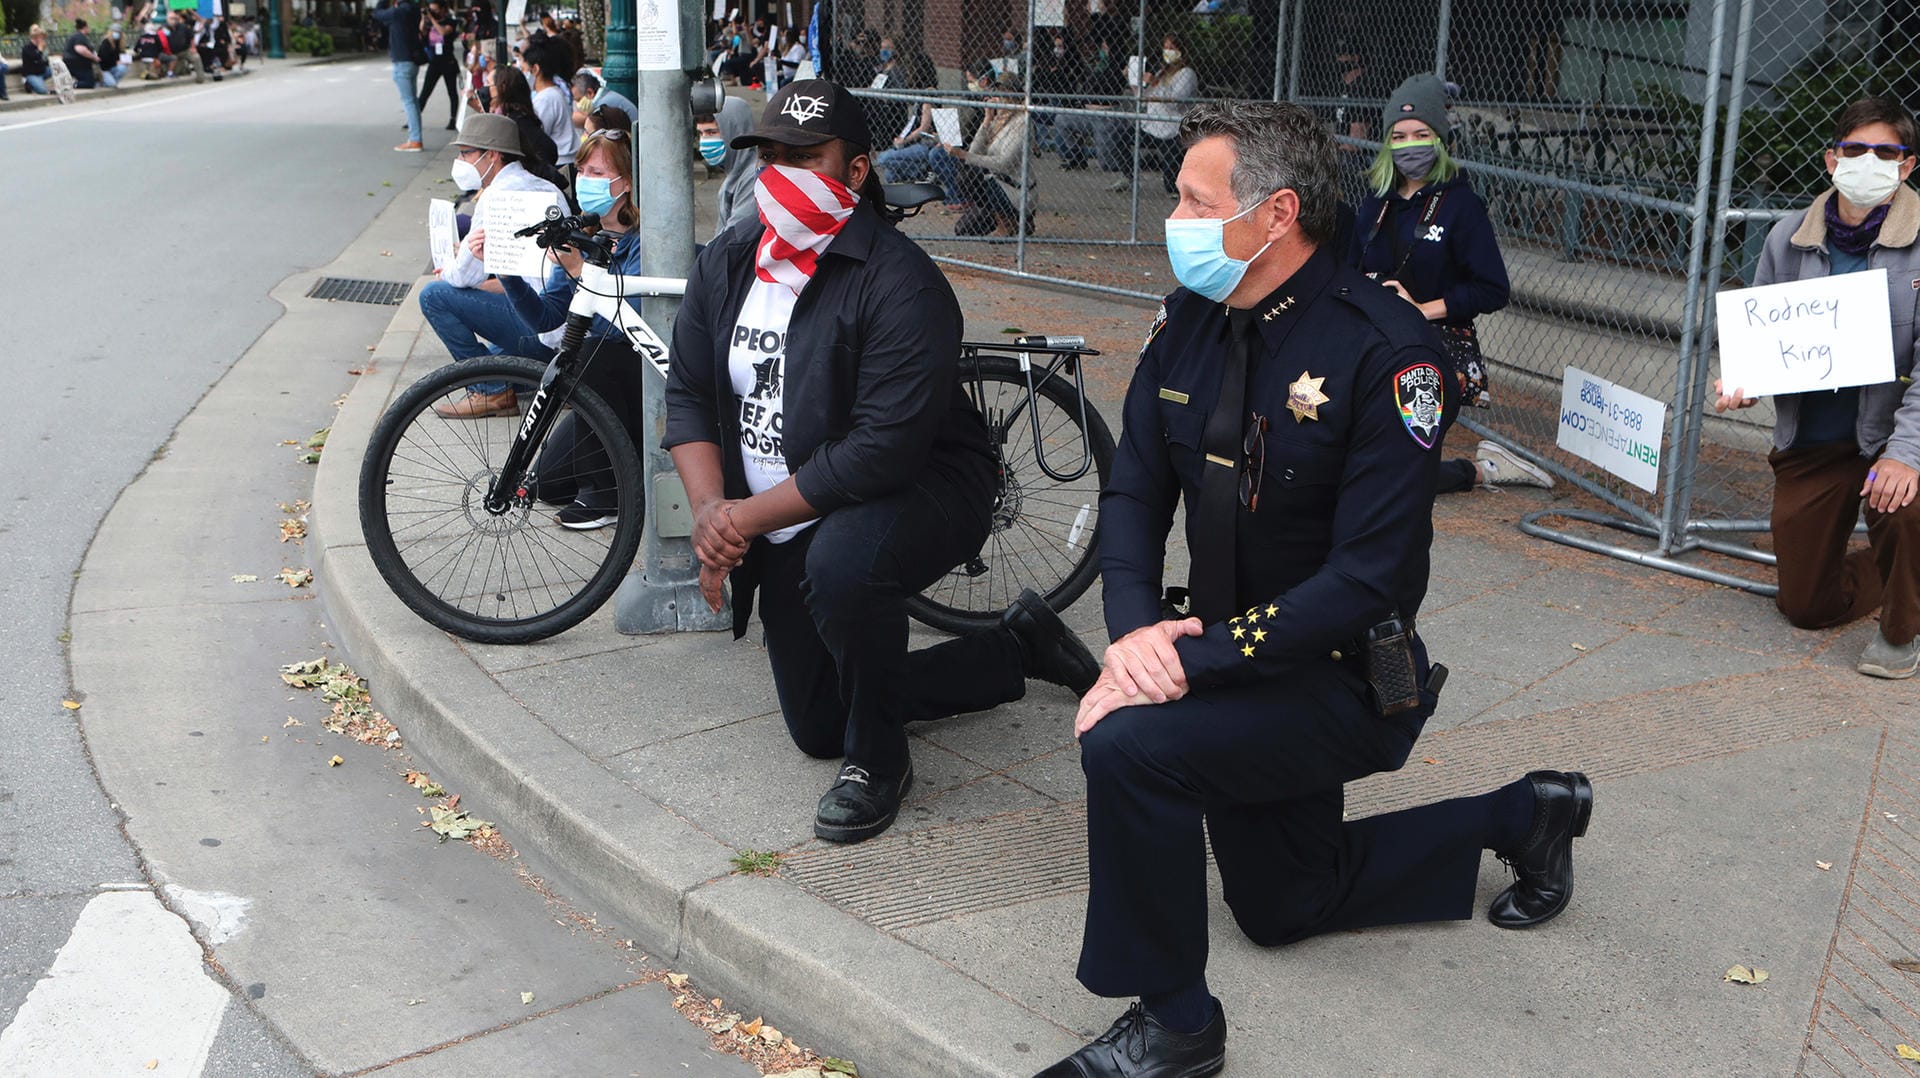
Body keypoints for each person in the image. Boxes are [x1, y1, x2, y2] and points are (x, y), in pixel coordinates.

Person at [1037, 100, 1592, 1077]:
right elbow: (1133, 492)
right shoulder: (1192, 329)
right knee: (1282, 906)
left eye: (1195, 200)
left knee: (1128, 749)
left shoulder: (1388, 355)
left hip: (1335, 678)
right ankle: (1526, 814)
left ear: (1276, 214)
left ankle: (1174, 1025)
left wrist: (1182, 661)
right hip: (1216, 662)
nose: (1176, 217)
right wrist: (1135, 639)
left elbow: (1365, 579)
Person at [663, 81, 1102, 844]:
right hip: (783, 511)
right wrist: (710, 514)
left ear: (857, 171)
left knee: (843, 566)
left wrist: (742, 519)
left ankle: (880, 762)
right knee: (817, 722)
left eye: (806, 157)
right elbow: (692, 395)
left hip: (926, 484)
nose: (782, 171)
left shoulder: (902, 283)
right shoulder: (729, 261)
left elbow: (876, 453)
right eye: (769, 155)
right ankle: (1014, 648)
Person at [1715, 97, 1920, 679]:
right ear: (1831, 159)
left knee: (1903, 504)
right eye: (1855, 150)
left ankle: (1902, 631)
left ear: (1907, 167)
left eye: (1886, 152)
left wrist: (1906, 456)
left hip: (1891, 436)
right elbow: (1764, 338)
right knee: (1805, 608)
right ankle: (1895, 572)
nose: (1868, 161)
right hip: (1817, 441)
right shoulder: (1787, 237)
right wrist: (1744, 381)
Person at [1350, 73, 1553, 493]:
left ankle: (1482, 470)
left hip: (1438, 349)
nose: (1410, 144)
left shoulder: (1461, 206)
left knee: (1391, 478)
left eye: (1422, 133)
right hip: (1372, 342)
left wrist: (1421, 309)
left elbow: (1492, 289)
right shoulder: (1375, 204)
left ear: (1440, 139)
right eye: (1399, 135)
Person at [494, 129, 649, 527]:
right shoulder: (590, 235)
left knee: (590, 353)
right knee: (548, 484)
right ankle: (619, 471)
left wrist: (582, 270)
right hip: (599, 380)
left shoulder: (645, 241)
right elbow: (547, 318)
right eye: (581, 170)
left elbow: (625, 327)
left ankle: (608, 497)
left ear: (626, 183)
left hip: (635, 377)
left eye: (597, 172)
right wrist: (509, 272)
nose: (585, 180)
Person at [418, 114, 566, 420]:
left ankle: (491, 391)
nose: (460, 161)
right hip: (562, 327)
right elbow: (529, 275)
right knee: (493, 357)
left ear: (493, 155)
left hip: (542, 328)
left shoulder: (496, 197)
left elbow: (462, 276)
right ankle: (510, 379)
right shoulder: (545, 187)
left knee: (434, 295)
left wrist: (447, 267)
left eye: (466, 153)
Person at [929, 75, 1032, 237]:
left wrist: (963, 154)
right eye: (998, 93)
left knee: (972, 176)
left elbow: (1003, 163)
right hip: (997, 183)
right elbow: (976, 151)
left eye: (1004, 93)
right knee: (963, 230)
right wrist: (987, 119)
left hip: (1015, 188)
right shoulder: (999, 119)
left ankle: (1007, 224)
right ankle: (1010, 219)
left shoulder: (1022, 122)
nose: (999, 98)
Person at [481, 65, 567, 192]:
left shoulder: (516, 125)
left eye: (489, 84)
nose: (485, 88)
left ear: (502, 88)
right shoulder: (516, 118)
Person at [704, 95, 761, 238]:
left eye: (712, 132)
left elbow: (733, 239)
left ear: (734, 131)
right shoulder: (735, 174)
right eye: (701, 134)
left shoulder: (752, 178)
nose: (705, 141)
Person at [522, 38, 579, 179]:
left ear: (535, 69)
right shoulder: (552, 93)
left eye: (524, 69)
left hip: (560, 164)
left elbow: (537, 137)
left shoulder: (545, 99)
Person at [372, 0, 425, 151]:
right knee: (413, 101)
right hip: (412, 60)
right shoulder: (413, 10)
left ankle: (415, 140)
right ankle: (415, 138)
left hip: (402, 61)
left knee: (409, 102)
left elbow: (378, 13)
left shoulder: (397, 12)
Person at [416, 0, 462, 131]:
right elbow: (422, 32)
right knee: (425, 91)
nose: (433, 13)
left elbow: (443, 32)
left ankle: (453, 120)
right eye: (431, 9)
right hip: (434, 63)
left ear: (443, 9)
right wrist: (424, 18)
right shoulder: (430, 22)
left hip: (448, 62)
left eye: (435, 10)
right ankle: (414, 118)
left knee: (452, 92)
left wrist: (432, 19)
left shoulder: (450, 22)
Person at [570, 70, 637, 129]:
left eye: (578, 100)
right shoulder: (607, 97)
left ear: (590, 93)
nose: (578, 104)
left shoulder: (603, 106)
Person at [63, 18, 102, 89]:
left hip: (74, 63)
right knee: (89, 82)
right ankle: (72, 85)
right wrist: (93, 57)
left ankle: (73, 83)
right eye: (88, 27)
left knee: (90, 80)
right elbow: (80, 49)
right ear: (85, 27)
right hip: (77, 64)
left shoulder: (75, 36)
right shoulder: (80, 36)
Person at [20, 26, 51, 95]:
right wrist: (39, 50)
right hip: (31, 74)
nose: (44, 40)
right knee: (43, 91)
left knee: (56, 69)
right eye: (42, 38)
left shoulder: (42, 47)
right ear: (36, 38)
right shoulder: (27, 48)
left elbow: (46, 62)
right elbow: (34, 57)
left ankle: (40, 82)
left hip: (42, 72)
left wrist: (44, 52)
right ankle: (29, 83)